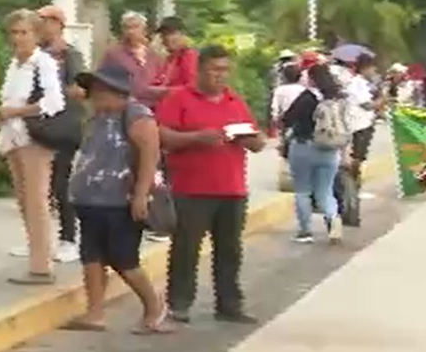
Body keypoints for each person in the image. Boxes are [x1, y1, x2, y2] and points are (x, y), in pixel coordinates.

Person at [156, 44, 266, 324]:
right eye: (214, 70)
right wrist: (196, 138)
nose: (221, 75)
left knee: (230, 250)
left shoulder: (234, 101)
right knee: (186, 249)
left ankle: (229, 304)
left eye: (225, 70)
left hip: (232, 189)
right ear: (199, 70)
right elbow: (162, 135)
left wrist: (252, 140)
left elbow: (257, 140)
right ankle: (179, 302)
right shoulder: (179, 98)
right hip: (191, 189)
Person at [62, 62, 171, 334]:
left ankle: (154, 306)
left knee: (124, 259)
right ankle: (95, 313)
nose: (94, 94)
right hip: (89, 198)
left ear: (118, 91)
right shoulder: (96, 116)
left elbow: (150, 156)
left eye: (100, 89)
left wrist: (141, 195)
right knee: (91, 256)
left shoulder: (136, 115)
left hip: (119, 200)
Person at [0, 9, 66, 284]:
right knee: (25, 200)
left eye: (24, 32)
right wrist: (3, 114)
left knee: (36, 201)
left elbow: (54, 102)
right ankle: (37, 255)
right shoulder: (15, 65)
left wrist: (16, 112)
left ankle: (41, 266)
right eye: (14, 32)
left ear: (35, 35)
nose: (19, 38)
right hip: (14, 137)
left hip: (34, 137)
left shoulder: (43, 63)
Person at [33, 4, 86, 264]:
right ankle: (39, 241)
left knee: (60, 184)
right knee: (38, 186)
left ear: (57, 24)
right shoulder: (36, 54)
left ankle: (69, 239)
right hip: (39, 126)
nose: (39, 27)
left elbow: (81, 90)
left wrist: (54, 91)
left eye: (43, 21)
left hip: (64, 126)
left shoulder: (69, 54)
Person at [280, 64, 347, 244]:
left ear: (311, 79)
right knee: (326, 191)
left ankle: (305, 231)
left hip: (304, 147)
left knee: (302, 191)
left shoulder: (306, 97)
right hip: (330, 149)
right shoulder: (336, 99)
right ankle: (334, 223)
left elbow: (287, 119)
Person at [338, 53, 378, 227]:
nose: (374, 72)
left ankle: (352, 206)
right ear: (365, 68)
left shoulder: (362, 84)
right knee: (353, 169)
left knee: (356, 168)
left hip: (362, 128)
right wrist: (383, 100)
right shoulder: (357, 83)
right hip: (358, 129)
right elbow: (367, 105)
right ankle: (351, 207)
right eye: (373, 68)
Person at [100, 11, 166, 106]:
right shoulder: (113, 54)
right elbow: (103, 81)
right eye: (127, 28)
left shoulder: (154, 54)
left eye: (135, 27)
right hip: (126, 107)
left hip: (153, 106)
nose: (131, 31)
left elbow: (163, 79)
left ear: (144, 30)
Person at [155, 16, 199, 90]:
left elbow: (191, 87)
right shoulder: (168, 59)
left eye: (171, 33)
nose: (167, 38)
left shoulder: (190, 57)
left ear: (183, 34)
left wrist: (164, 91)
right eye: (164, 34)